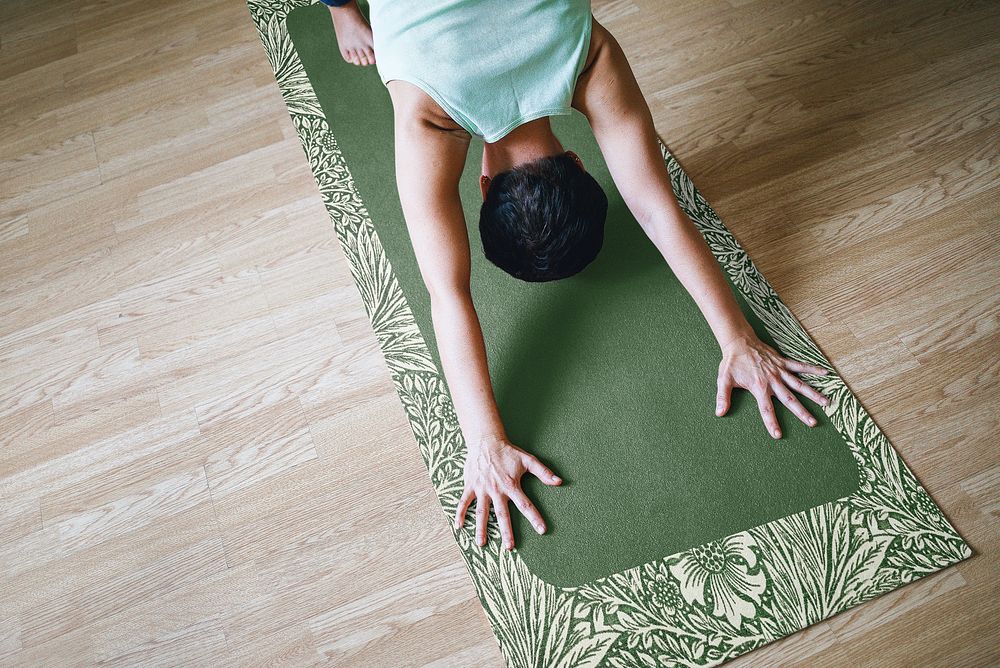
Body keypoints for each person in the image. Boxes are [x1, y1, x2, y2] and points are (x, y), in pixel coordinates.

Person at [322, 0, 833, 551]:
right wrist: (483, 442)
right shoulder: (429, 117)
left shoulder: (590, 58)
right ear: (484, 185)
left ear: (581, 164)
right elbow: (444, 294)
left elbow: (658, 210)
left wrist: (739, 338)